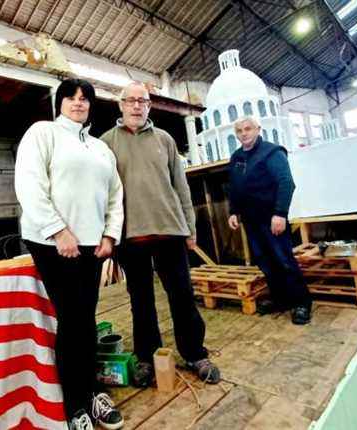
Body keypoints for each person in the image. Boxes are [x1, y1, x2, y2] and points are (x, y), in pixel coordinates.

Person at [15, 78, 124, 430]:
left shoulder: (100, 148)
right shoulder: (42, 133)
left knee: (86, 319)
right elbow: (29, 183)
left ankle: (91, 393)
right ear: (60, 102)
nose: (78, 103)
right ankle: (76, 405)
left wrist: (110, 234)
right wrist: (57, 230)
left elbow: (114, 195)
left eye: (85, 98)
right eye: (71, 97)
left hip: (92, 243)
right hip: (53, 243)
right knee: (74, 320)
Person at [100, 82, 220, 388]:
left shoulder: (165, 140)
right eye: (131, 101)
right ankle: (146, 357)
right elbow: (101, 193)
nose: (137, 106)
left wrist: (190, 229)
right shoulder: (105, 143)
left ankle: (195, 353)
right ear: (121, 105)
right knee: (141, 301)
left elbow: (181, 187)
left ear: (149, 106)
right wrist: (108, 235)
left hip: (170, 232)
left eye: (143, 101)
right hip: (130, 236)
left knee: (182, 296)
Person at [226, 116, 312, 325]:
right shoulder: (236, 157)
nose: (244, 133)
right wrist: (233, 211)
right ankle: (281, 299)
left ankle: (302, 303)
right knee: (265, 261)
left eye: (248, 129)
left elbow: (286, 183)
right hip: (251, 220)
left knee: (283, 260)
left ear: (258, 129)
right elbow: (235, 188)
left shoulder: (272, 152)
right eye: (239, 131)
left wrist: (280, 213)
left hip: (272, 218)